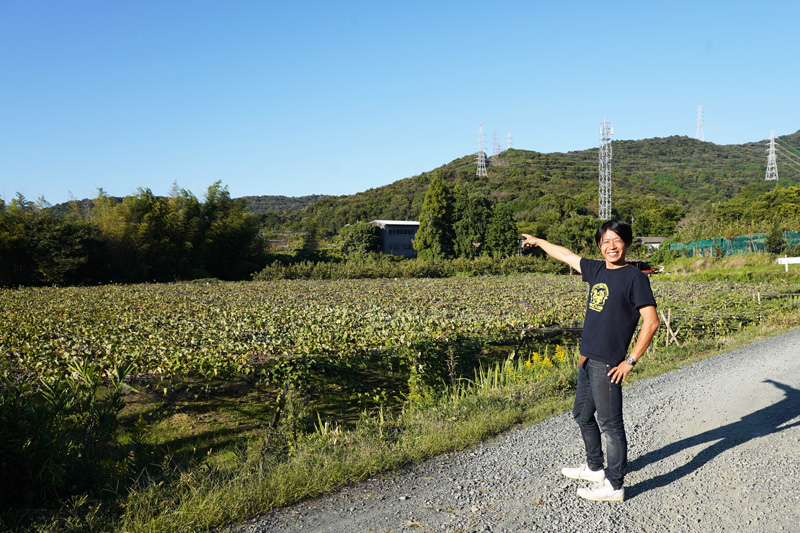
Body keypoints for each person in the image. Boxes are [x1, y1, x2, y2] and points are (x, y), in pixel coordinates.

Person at [521, 219, 659, 502]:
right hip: (588, 359)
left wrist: (630, 361)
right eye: (606, 241)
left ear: (627, 244)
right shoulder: (596, 269)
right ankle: (596, 468)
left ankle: (614, 485)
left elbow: (652, 322)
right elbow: (566, 255)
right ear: (599, 245)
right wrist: (539, 242)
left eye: (617, 240)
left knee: (611, 425)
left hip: (609, 363)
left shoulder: (635, 277)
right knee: (582, 415)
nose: (611, 246)